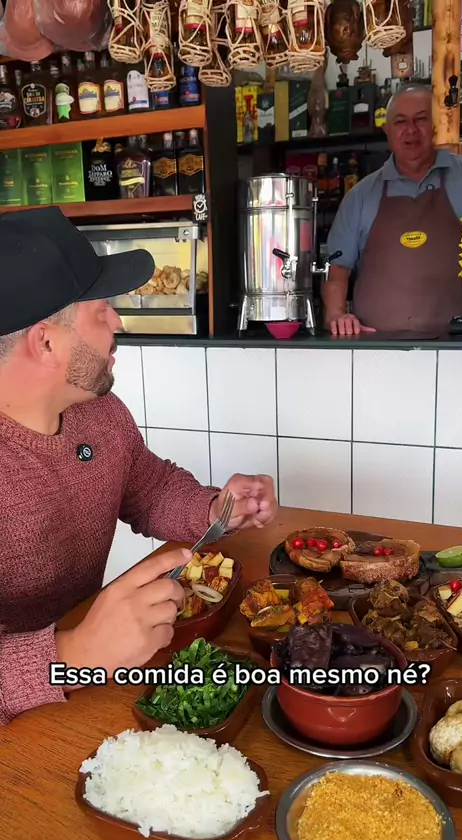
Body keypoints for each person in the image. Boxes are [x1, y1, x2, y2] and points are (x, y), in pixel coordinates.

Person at [0, 206, 278, 726]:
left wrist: (215, 508)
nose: (117, 322)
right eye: (101, 309)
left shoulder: (99, 412)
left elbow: (148, 488)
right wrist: (69, 656)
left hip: (96, 687)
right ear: (46, 342)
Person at [323, 84, 462, 335]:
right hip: (377, 350)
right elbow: (337, 271)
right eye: (400, 121)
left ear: (436, 124)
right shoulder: (360, 196)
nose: (411, 130)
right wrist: (336, 315)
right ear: (387, 129)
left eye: (421, 119)